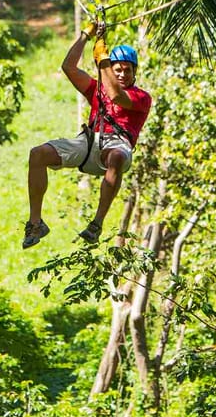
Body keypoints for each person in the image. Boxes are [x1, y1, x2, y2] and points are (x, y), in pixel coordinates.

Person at [24, 23, 152, 248]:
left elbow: (116, 96)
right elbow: (68, 67)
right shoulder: (96, 89)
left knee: (116, 157)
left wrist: (103, 61)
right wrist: (85, 35)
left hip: (117, 145)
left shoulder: (141, 97)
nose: (122, 74)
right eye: (118, 70)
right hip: (90, 141)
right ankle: (35, 223)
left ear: (134, 73)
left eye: (127, 70)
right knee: (38, 154)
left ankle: (96, 224)